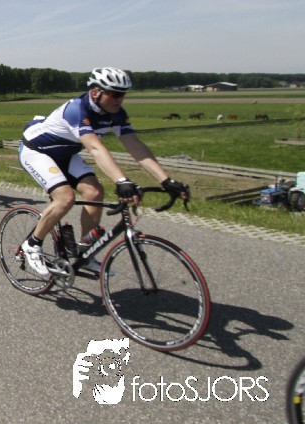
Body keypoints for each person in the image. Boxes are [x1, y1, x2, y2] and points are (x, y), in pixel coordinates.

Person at [16, 67, 189, 277]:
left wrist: (166, 180)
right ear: (95, 92)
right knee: (65, 198)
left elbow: (135, 145)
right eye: (115, 94)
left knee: (95, 193)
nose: (120, 99)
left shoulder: (116, 114)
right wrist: (122, 181)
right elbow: (95, 148)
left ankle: (85, 252)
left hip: (66, 153)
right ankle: (32, 244)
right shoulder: (77, 109)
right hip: (37, 151)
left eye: (123, 94)